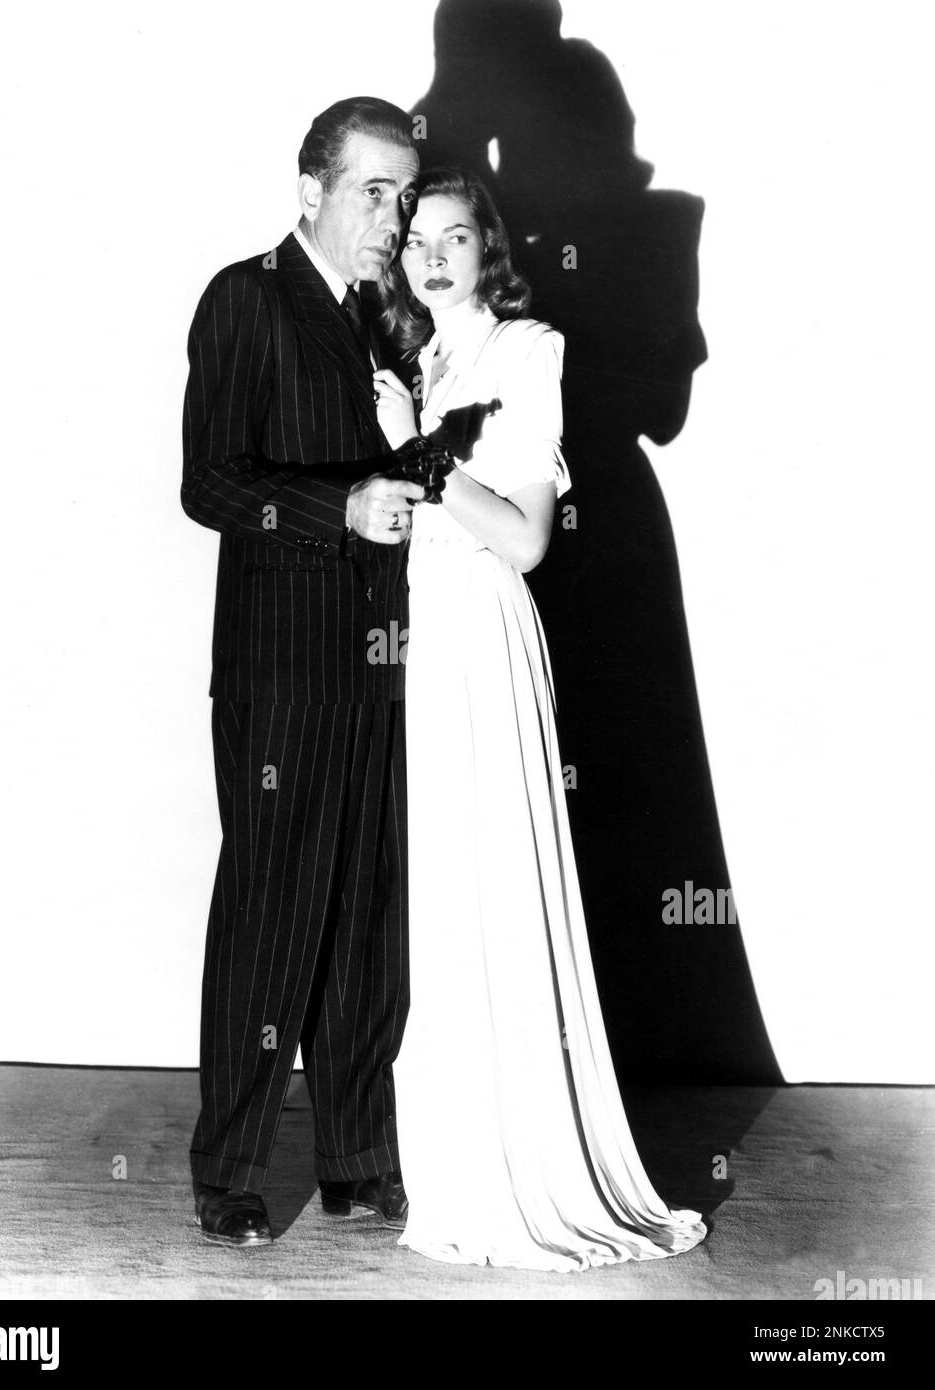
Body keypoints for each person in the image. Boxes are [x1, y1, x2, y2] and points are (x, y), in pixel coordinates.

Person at [371, 167, 708, 1271]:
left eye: (454, 238)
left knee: (497, 883)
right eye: (415, 240)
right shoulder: (417, 361)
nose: (432, 258)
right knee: (446, 895)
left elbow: (521, 540)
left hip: (484, 632)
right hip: (428, 640)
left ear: (489, 250)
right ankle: (460, 1164)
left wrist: (419, 453)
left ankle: (530, 1176)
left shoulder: (525, 350)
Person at [181, 96, 441, 1247]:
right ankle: (230, 1170)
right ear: (310, 191)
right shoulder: (245, 297)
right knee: (273, 911)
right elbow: (208, 481)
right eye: (371, 191)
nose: (393, 216)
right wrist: (340, 506)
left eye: (405, 194)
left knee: (367, 911)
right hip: (282, 668)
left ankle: (353, 1159)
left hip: (385, 661)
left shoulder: (391, 320)